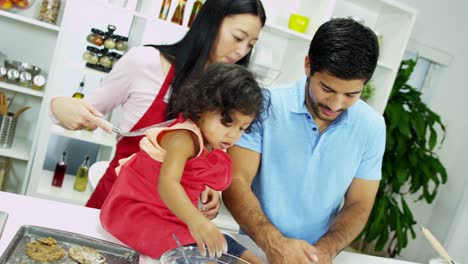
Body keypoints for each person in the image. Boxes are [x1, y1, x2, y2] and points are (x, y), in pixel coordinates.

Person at [49, 0, 266, 210]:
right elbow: (82, 113)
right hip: (114, 207)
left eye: (250, 45)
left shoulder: (233, 93)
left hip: (170, 221)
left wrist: (210, 189)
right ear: (210, 22)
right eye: (237, 37)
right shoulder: (146, 62)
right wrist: (57, 106)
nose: (241, 51)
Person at [222, 18, 385, 264]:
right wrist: (273, 242)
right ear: (308, 65)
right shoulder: (265, 104)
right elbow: (236, 181)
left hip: (318, 256)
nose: (336, 104)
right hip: (257, 246)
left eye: (351, 94)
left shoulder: (372, 126)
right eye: (327, 89)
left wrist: (324, 251)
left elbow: (359, 203)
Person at [100, 63, 269, 262]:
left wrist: (206, 188)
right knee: (199, 252)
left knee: (226, 245)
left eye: (242, 128)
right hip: (138, 214)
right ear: (203, 107)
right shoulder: (183, 138)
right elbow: (168, 183)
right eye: (227, 123)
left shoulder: (211, 139)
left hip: (169, 214)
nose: (233, 135)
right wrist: (195, 220)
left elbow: (192, 173)